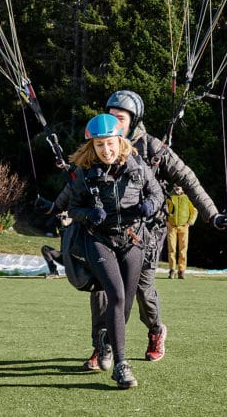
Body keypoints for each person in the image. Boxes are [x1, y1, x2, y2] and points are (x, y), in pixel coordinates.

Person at [44, 89, 227, 368]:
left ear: (133, 121)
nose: (114, 123)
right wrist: (53, 207)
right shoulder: (103, 144)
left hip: (144, 232)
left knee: (142, 289)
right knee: (101, 288)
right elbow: (78, 184)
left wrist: (213, 215)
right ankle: (103, 345)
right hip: (104, 232)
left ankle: (156, 329)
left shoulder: (152, 148)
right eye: (110, 117)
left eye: (120, 118)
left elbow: (189, 179)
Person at [55, 112, 163, 389]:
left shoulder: (138, 166)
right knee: (114, 295)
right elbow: (73, 207)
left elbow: (157, 194)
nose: (106, 150)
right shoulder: (84, 173)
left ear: (120, 140)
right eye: (100, 145)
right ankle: (121, 365)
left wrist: (149, 206)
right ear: (92, 146)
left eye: (110, 143)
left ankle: (106, 339)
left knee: (125, 302)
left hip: (133, 240)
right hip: (99, 240)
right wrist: (89, 214)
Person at [165, 184, 197, 279]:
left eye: (179, 187)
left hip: (184, 227)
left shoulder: (187, 197)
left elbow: (194, 211)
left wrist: (190, 222)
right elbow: (163, 209)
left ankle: (181, 271)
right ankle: (172, 270)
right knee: (172, 249)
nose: (177, 189)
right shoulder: (169, 197)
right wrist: (166, 221)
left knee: (183, 250)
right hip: (172, 226)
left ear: (182, 188)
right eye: (175, 187)